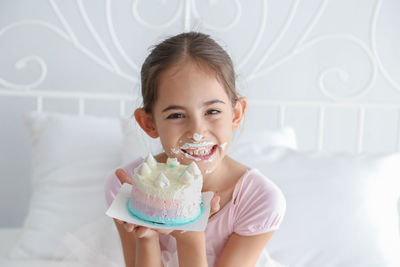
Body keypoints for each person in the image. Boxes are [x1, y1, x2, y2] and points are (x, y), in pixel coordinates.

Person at [105, 31, 286, 267]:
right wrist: (147, 237)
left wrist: (190, 236)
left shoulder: (260, 199)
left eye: (212, 111)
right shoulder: (128, 187)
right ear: (149, 123)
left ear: (236, 114)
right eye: (177, 115)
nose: (197, 131)